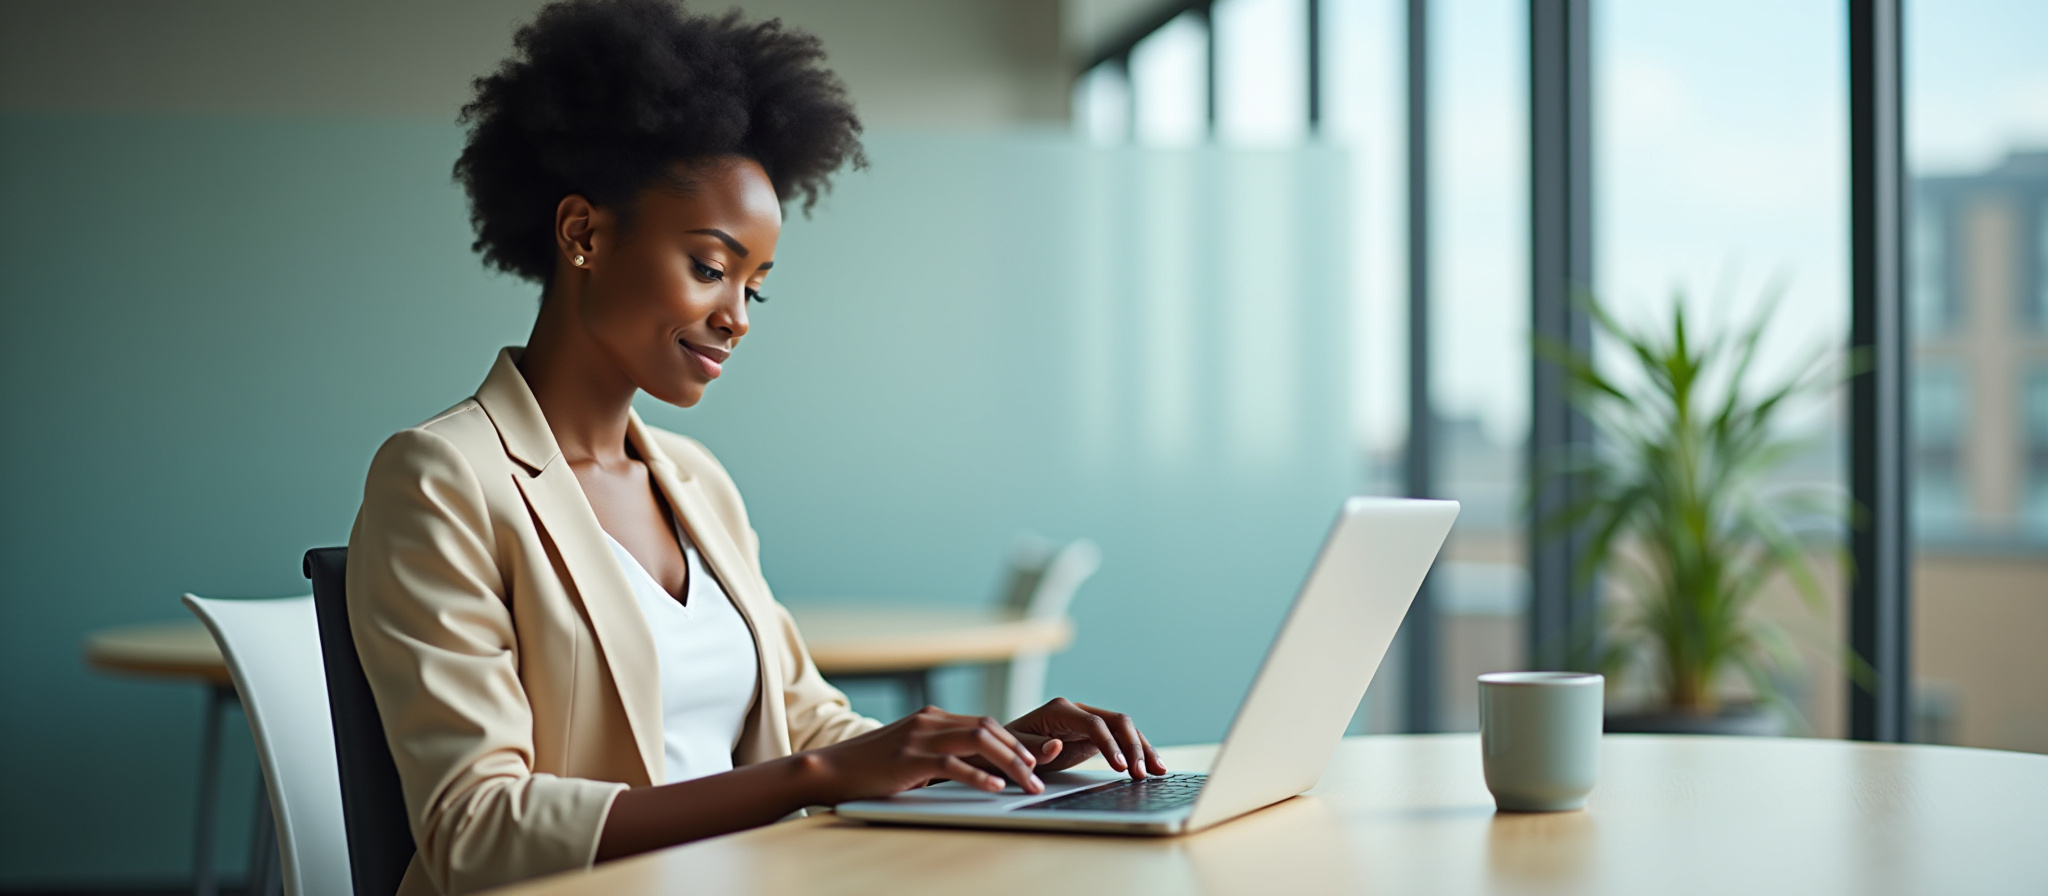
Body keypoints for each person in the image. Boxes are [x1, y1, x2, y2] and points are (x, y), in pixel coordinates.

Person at [344, 2, 1164, 893]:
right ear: (583, 234)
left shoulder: (698, 483)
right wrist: (815, 781)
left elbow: (809, 728)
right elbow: (475, 831)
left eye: (754, 288)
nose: (735, 317)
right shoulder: (443, 478)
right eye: (709, 267)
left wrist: (1001, 748)